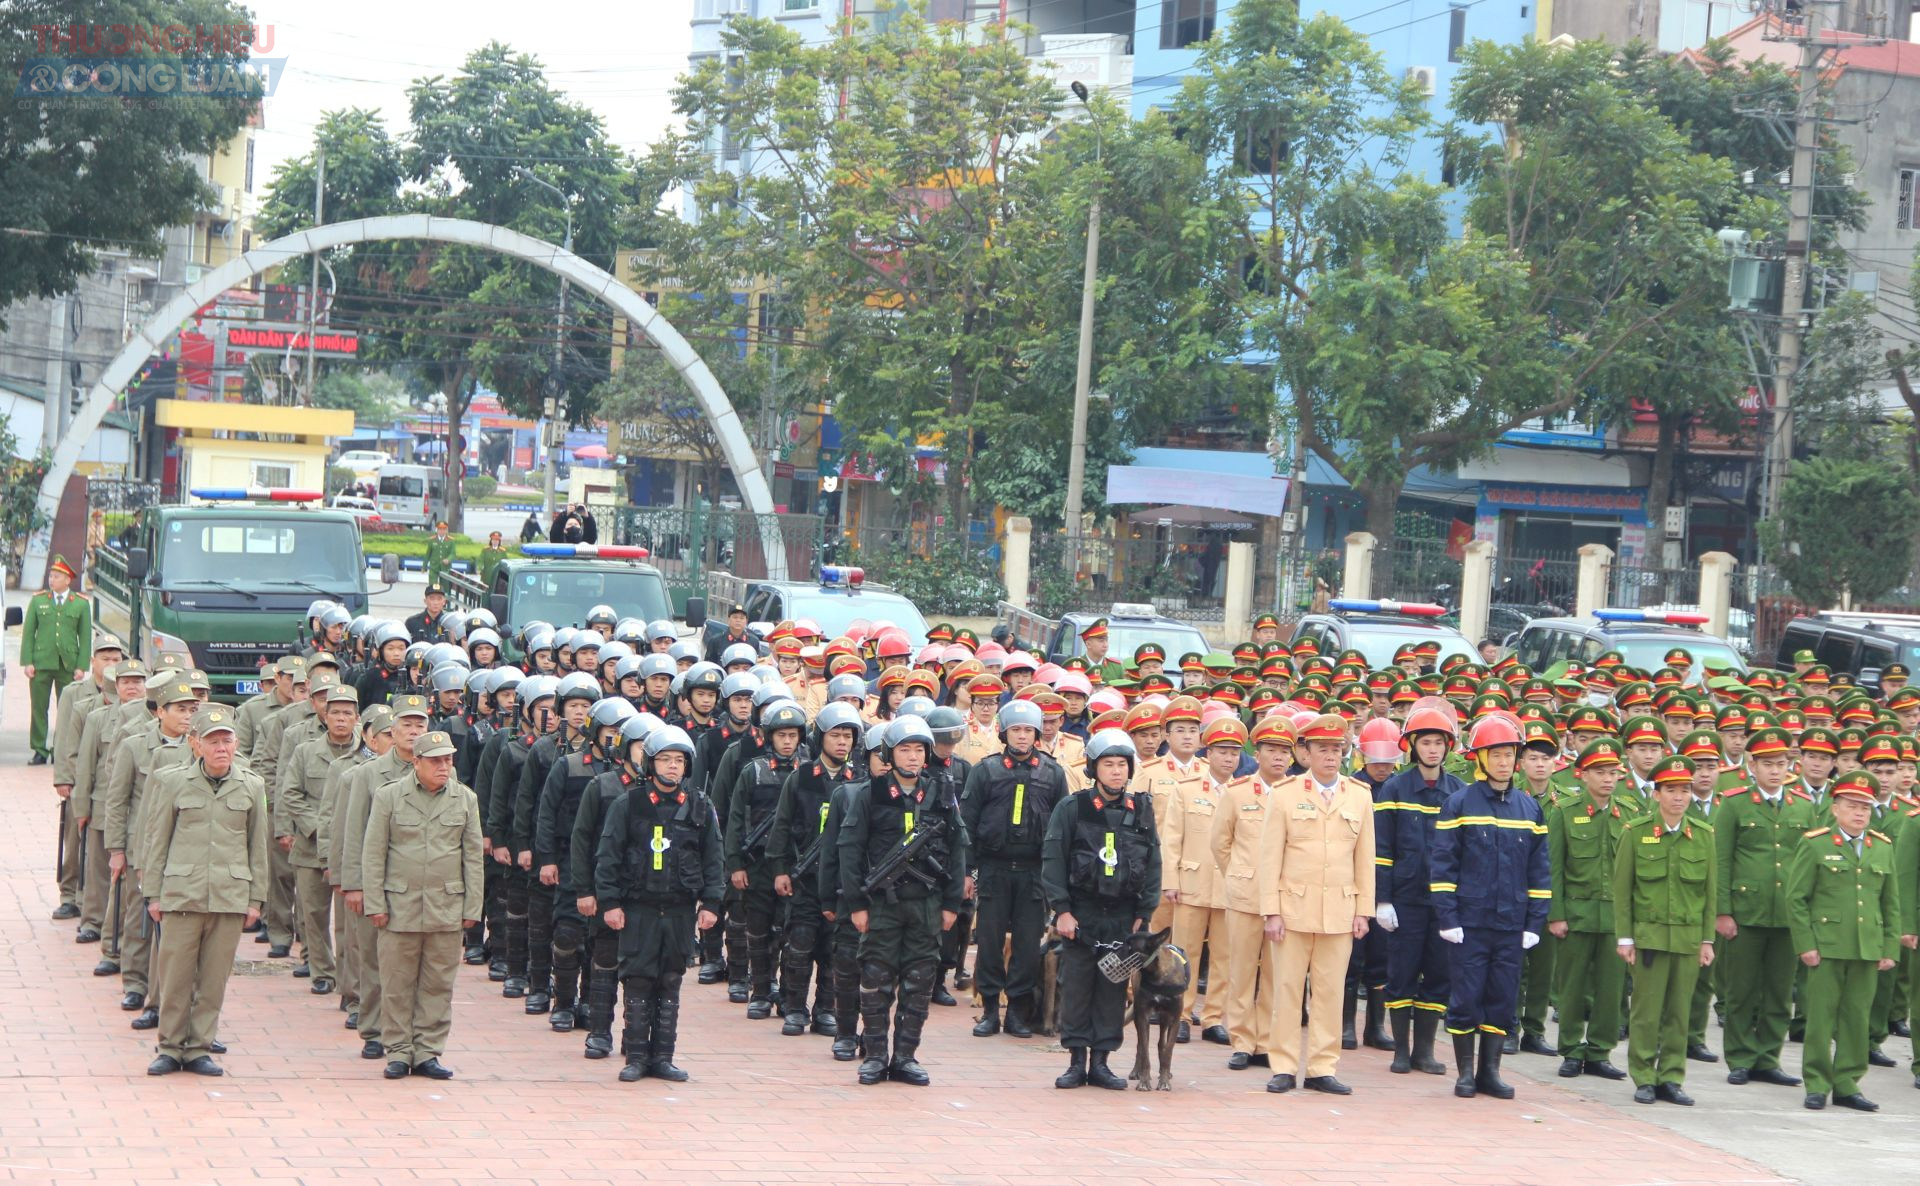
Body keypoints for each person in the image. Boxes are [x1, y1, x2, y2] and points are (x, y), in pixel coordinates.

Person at [139, 705, 270, 1076]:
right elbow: (156, 839)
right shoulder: (171, 782)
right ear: (195, 744)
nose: (221, 748)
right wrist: (154, 893)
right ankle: (169, 1046)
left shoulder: (252, 785)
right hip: (182, 893)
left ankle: (198, 1047)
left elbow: (257, 847)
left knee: (214, 979)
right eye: (212, 741)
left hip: (230, 896)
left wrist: (255, 899)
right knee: (176, 975)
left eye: (227, 740)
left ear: (237, 743)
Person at [837, 716, 968, 1087]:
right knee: (876, 979)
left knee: (920, 981)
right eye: (904, 749)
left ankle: (906, 1057)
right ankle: (876, 1057)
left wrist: (951, 905)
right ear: (888, 754)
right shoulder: (869, 794)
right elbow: (850, 851)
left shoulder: (942, 793)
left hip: (926, 904)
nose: (912, 757)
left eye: (919, 749)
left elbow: (958, 850)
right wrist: (856, 905)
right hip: (881, 904)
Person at [1428, 713, 1550, 1101]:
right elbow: (1443, 864)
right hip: (1469, 922)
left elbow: (1540, 871)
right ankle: (1465, 1073)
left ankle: (1490, 1073)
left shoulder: (1529, 809)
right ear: (1478, 758)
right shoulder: (1458, 803)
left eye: (1509, 754)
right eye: (1495, 754)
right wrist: (1447, 916)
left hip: (1511, 923)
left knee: (1502, 998)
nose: (1503, 762)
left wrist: (1534, 922)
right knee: (1466, 997)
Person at [594, 725, 724, 1081]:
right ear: (650, 764)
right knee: (637, 981)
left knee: (670, 981)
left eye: (678, 760)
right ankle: (635, 1056)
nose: (672, 767)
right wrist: (610, 903)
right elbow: (608, 855)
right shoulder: (629, 804)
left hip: (681, 909)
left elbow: (714, 858)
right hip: (638, 908)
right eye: (664, 759)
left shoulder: (700, 805)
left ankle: (663, 1057)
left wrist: (711, 903)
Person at [1255, 714, 1375, 1096]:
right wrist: (1270, 910)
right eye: (1322, 749)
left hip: (1339, 910)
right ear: (1305, 753)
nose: (1329, 756)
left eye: (1336, 749)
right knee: (1287, 991)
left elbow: (1365, 857)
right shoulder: (1286, 793)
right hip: (1292, 910)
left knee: (1330, 993)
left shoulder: (1359, 794)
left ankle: (1323, 1066)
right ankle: (1284, 1066)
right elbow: (1269, 856)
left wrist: (1363, 910)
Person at [360, 730, 484, 1080]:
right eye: (435, 760)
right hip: (399, 905)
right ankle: (398, 1051)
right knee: (397, 983)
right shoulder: (389, 797)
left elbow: (473, 857)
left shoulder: (465, 799)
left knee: (438, 984)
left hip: (446, 906)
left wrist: (473, 908)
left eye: (448, 759)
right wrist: (375, 902)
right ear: (417, 763)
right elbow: (374, 853)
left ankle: (428, 1051)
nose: (444, 766)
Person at [1042, 729, 1161, 1089]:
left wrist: (1145, 913)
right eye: (1108, 764)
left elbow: (1153, 862)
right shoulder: (1072, 807)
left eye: (1122, 765)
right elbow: (1053, 859)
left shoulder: (1141, 809)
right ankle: (1076, 1060)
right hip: (1081, 912)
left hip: (1123, 915)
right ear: (1094, 768)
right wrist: (1061, 910)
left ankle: (1103, 1062)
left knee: (1112, 989)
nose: (1115, 772)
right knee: (1077, 986)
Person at [1714, 725, 1816, 1089]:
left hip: (1787, 915)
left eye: (1782, 764)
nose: (1776, 771)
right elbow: (1721, 859)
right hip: (1746, 911)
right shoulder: (1735, 802)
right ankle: (1740, 1058)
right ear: (1752, 765)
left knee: (1778, 990)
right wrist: (1722, 911)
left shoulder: (1803, 805)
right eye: (1768, 764)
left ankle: (1768, 1058)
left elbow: (1811, 863)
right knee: (1741, 991)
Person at [1791, 770, 1900, 1112]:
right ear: (1835, 808)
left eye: (1865, 808)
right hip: (1827, 945)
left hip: (1866, 946)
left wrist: (1889, 946)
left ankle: (1847, 1082)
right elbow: (1796, 899)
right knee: (1821, 1018)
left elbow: (1890, 902)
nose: (1859, 813)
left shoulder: (1881, 847)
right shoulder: (1815, 843)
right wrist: (1806, 943)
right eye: (1852, 806)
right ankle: (1817, 1083)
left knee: (1857, 1018)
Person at [1614, 754, 1718, 1107]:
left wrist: (1707, 939)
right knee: (1646, 1011)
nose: (1679, 797)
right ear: (1656, 793)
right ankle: (1643, 1075)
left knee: (1679, 1012)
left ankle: (1671, 1076)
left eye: (1685, 790)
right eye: (1671, 790)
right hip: (1650, 938)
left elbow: (1709, 892)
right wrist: (1625, 937)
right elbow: (1623, 889)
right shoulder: (1637, 833)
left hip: (1687, 938)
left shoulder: (1703, 836)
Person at [961, 700, 1066, 1039]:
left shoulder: (1052, 772)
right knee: (989, 941)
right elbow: (968, 821)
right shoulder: (986, 770)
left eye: (1029, 731)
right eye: (1017, 730)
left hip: (1033, 872)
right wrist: (967, 870)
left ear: (1037, 734)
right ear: (1005, 733)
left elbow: (1062, 829)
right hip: (994, 868)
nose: (1023, 737)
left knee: (1026, 944)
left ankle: (1018, 1012)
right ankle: (990, 1008)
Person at [1373, 699, 1464, 1077]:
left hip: (1443, 902)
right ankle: (1401, 1050)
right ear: (1412, 746)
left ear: (1448, 747)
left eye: (1439, 743)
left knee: (1439, 973)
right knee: (1402, 972)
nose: (1432, 749)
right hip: (1406, 899)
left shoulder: (1460, 792)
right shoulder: (1395, 789)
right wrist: (1382, 900)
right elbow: (1382, 849)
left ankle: (1425, 1051)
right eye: (1426, 742)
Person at [1546, 737, 1632, 1082]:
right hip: (1577, 916)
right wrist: (1556, 914)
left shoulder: (1628, 814)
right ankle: (1570, 1048)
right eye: (1600, 772)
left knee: (1611, 990)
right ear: (1582, 775)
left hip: (1614, 918)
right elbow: (1553, 868)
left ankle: (1599, 1051)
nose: (1608, 779)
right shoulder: (1565, 812)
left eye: (1613, 772)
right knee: (1572, 986)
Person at [279, 686, 362, 996]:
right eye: (334, 712)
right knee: (312, 914)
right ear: (324, 717)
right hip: (310, 845)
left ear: (357, 719)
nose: (340, 719)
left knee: (346, 921)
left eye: (347, 714)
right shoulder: (305, 752)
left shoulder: (365, 755)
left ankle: (347, 976)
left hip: (347, 850)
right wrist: (317, 827)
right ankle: (321, 971)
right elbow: (290, 793)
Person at [1212, 714, 1283, 1070]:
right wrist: (1239, 875)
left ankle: (1266, 1041)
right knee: (1241, 970)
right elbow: (1220, 843)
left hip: (1283, 900)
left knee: (1275, 973)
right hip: (1244, 894)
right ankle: (1242, 1040)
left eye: (1286, 751)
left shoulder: (1295, 793)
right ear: (1259, 752)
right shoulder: (1238, 793)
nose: (1279, 758)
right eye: (1271, 750)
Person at [51, 634, 123, 921]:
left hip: (107, 780)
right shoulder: (74, 693)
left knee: (100, 845)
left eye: (116, 659)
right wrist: (64, 778)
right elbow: (65, 738)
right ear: (93, 661)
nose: (111, 663)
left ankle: (93, 897)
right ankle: (69, 894)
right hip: (79, 777)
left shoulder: (125, 691)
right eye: (105, 658)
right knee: (74, 837)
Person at [23, 556, 91, 765]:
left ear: (68, 580)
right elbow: (28, 633)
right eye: (51, 576)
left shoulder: (80, 604)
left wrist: (81, 666)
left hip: (67, 665)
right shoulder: (38, 600)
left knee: (67, 709)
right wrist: (28, 661)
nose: (52, 580)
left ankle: (60, 749)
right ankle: (39, 749)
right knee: (38, 708)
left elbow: (85, 637)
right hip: (42, 662)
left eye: (57, 576)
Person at [424, 522, 456, 591]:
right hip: (434, 567)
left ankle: (445, 601)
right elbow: (428, 554)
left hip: (445, 568)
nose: (442, 531)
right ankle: (434, 600)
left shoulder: (451, 541)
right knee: (433, 587)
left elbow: (453, 553)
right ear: (437, 530)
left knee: (445, 588)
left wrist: (448, 559)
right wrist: (424, 566)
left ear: (447, 530)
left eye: (444, 529)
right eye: (440, 529)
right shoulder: (432, 540)